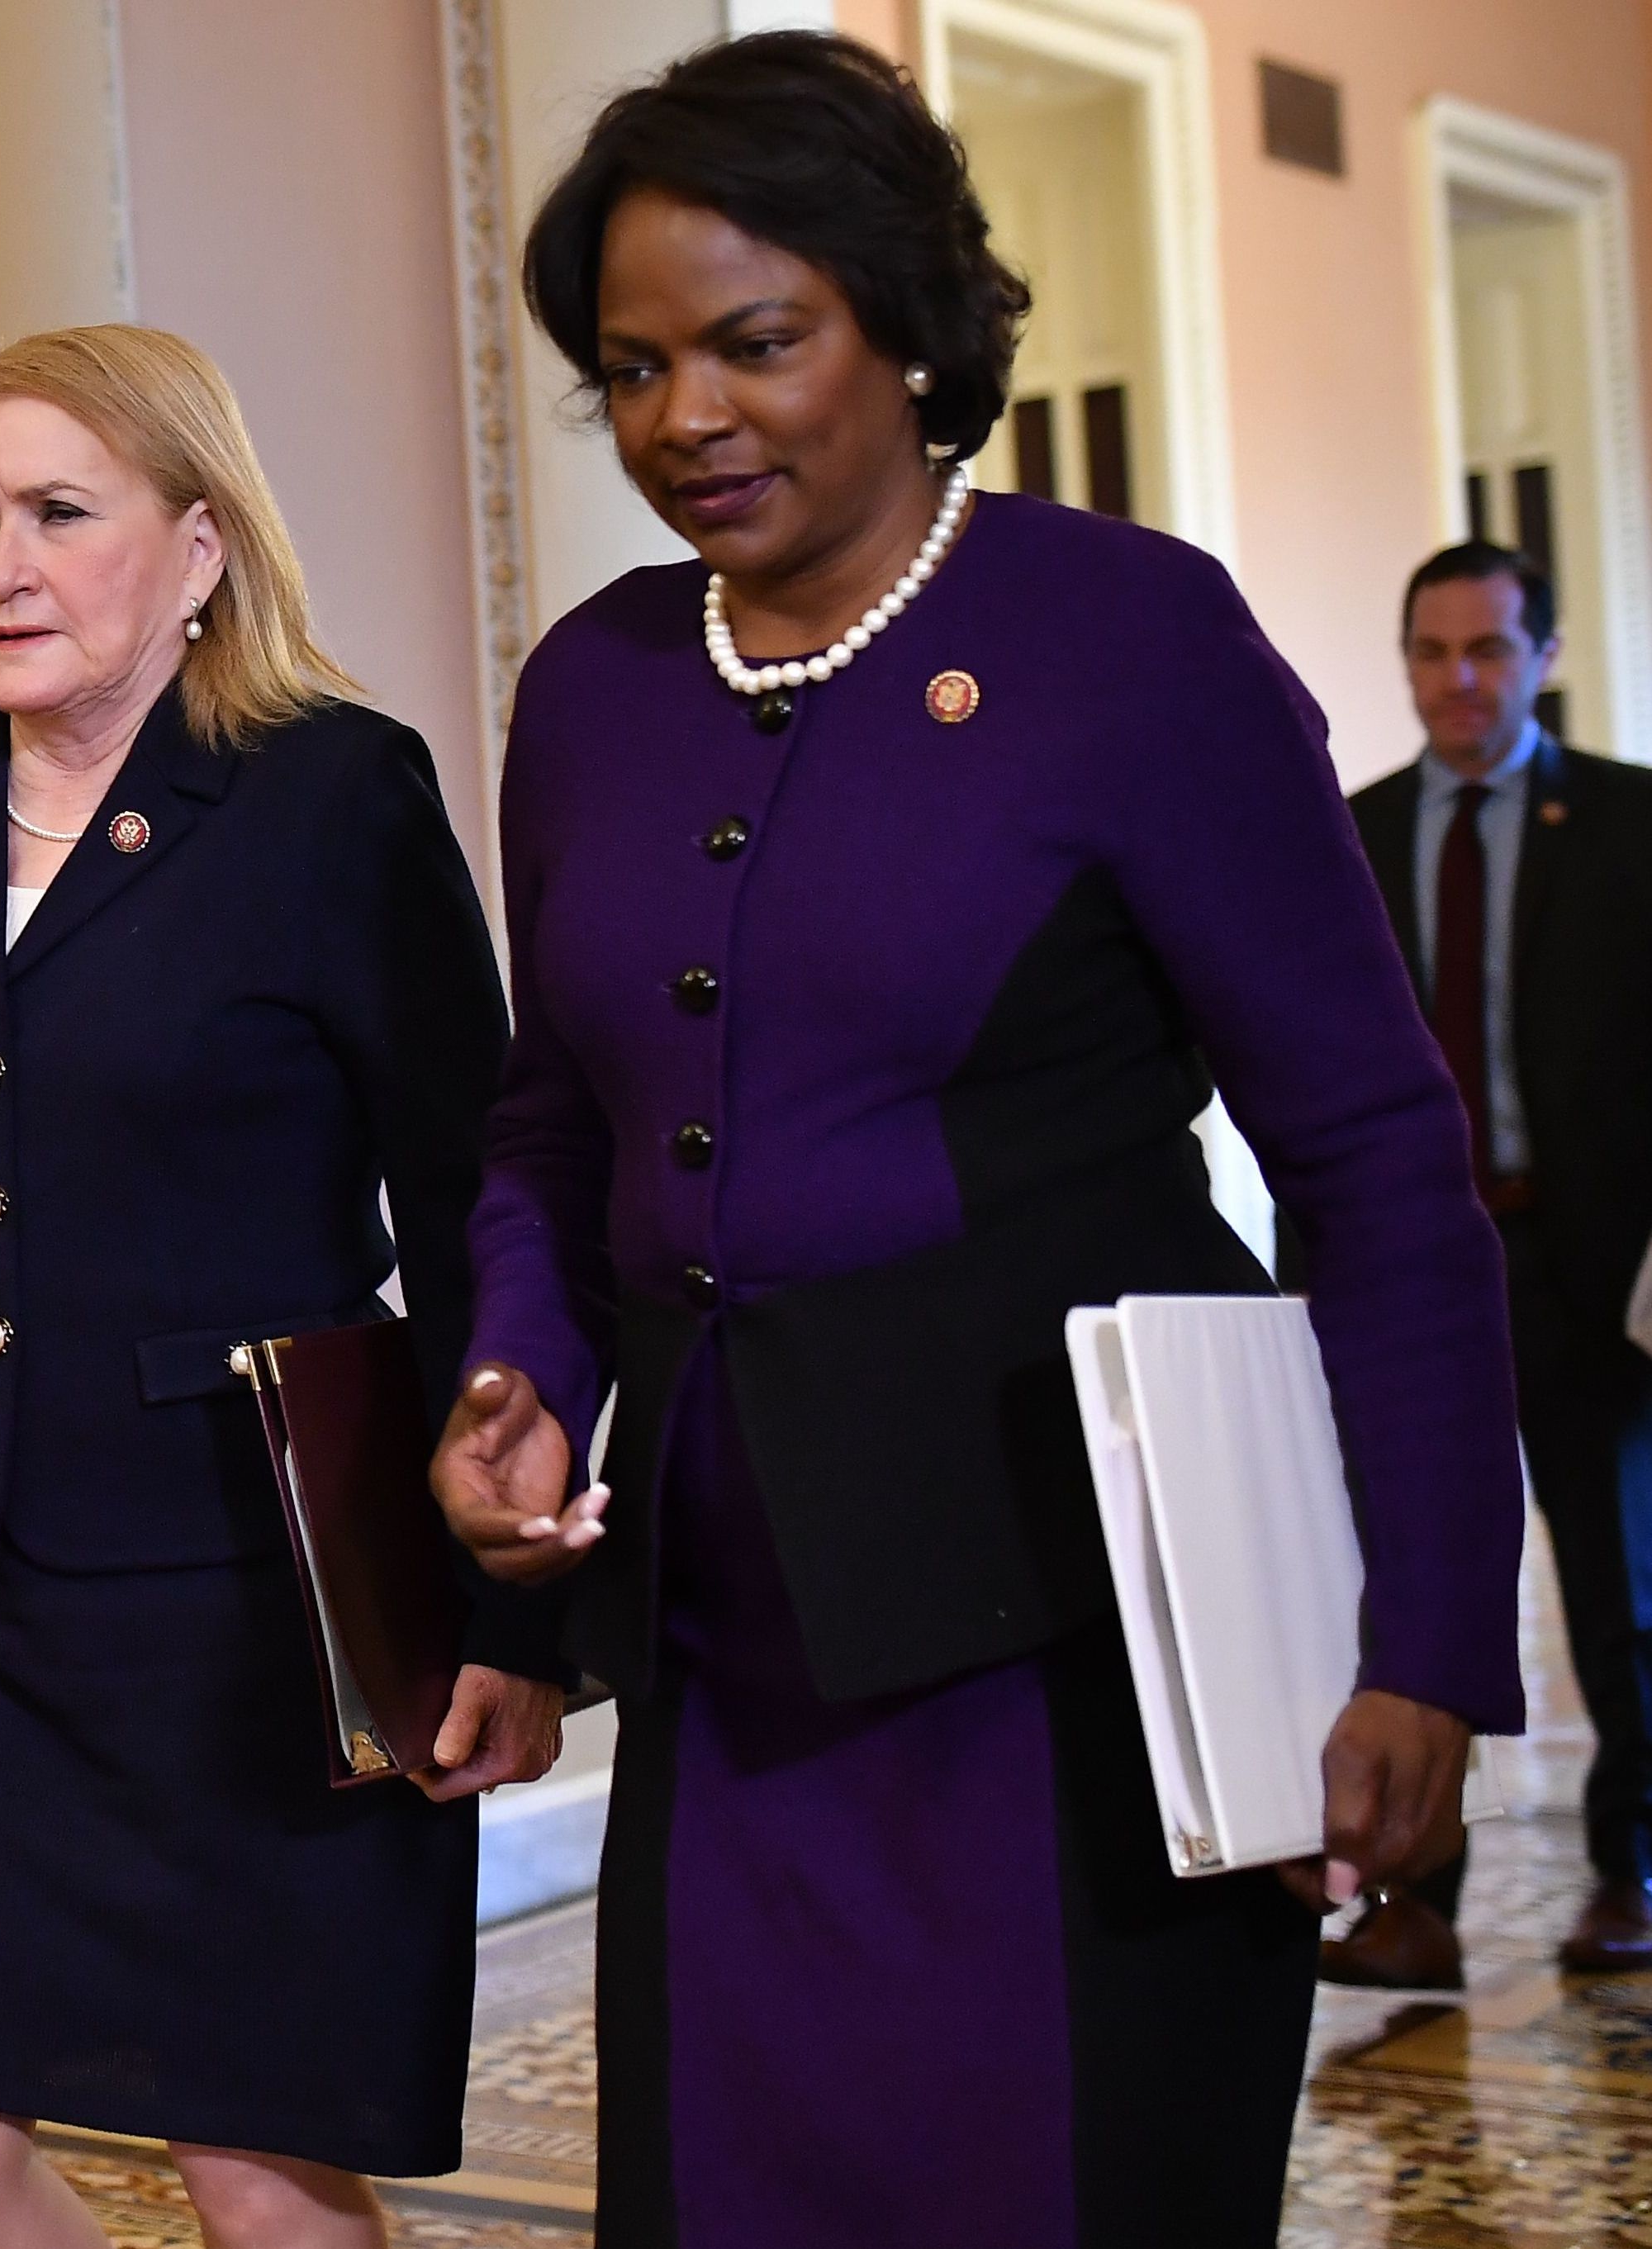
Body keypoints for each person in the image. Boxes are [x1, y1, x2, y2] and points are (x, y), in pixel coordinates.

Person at [425, 34, 1525, 2248]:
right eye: (632, 368)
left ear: (909, 322)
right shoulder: (598, 686)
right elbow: (552, 1117)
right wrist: (512, 1378)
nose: (687, 419)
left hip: (1085, 1653)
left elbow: (1378, 1158)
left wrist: (1426, 1639)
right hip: (734, 1665)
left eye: (758, 342)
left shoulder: (1132, 640)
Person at [0, 324, 567, 2249]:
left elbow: (471, 1209)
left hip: (254, 1602)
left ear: (197, 553)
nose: (0, 565)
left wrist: (515, 1613)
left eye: (57, 513)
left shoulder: (329, 797)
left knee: (259, 2172)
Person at [1320, 543, 1652, 1988]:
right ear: (1405, 663)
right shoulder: (1348, 834)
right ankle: (1411, 1898)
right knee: (1411, 1589)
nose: (1461, 679)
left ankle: (1629, 1873)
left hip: (1594, 1269)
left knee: (1623, 1589)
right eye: (1435, 651)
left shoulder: (1633, 824)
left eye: (1491, 650)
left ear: (1545, 656)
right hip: (1412, 1277)